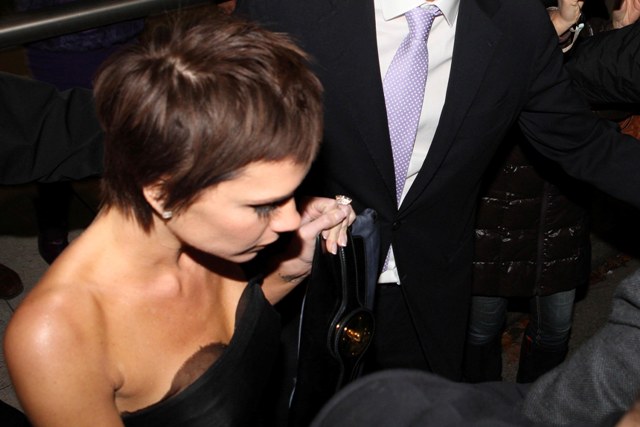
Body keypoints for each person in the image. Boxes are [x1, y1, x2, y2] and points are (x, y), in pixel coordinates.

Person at [235, 0, 640, 383]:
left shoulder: (516, 21)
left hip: (431, 293)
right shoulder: (286, 8)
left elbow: (582, 143)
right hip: (304, 283)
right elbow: (227, 144)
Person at [3, 8, 355, 426]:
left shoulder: (207, 235)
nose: (289, 221)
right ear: (161, 191)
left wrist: (288, 271)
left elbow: (230, 342)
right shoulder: (58, 336)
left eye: (289, 196)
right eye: (262, 205)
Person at [464, 0, 589, 384]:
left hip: (560, 215)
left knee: (555, 330)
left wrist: (615, 29)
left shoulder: (587, 27)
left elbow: (606, 111)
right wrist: (554, 28)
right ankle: (481, 406)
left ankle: (537, 406)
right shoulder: (481, 19)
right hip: (492, 217)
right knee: (481, 331)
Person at [15, 0, 144, 264]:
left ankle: (130, 215)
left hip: (120, 22)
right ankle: (53, 216)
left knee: (128, 128)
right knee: (58, 131)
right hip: (56, 30)